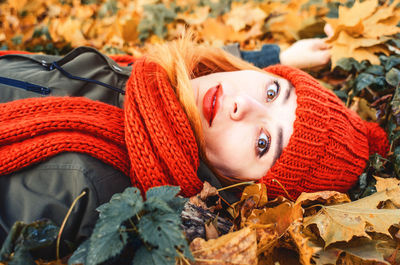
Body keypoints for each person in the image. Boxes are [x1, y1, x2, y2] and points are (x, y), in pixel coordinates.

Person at [0, 31, 387, 256]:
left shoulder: (88, 193)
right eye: (272, 90)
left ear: (244, 192)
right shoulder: (158, 81)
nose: (242, 104)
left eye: (264, 142)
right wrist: (279, 54)